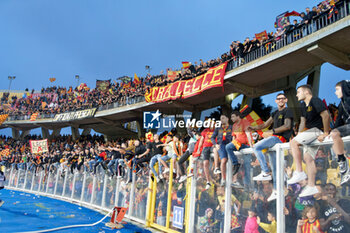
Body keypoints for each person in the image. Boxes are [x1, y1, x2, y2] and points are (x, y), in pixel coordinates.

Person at [288, 84, 330, 197]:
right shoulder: (302, 105)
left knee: (293, 142)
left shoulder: (315, 100)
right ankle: (311, 186)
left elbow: (326, 116)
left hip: (317, 130)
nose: (296, 95)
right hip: (310, 132)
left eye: (298, 92)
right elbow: (302, 122)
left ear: (306, 92)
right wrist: (300, 134)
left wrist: (326, 132)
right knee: (308, 158)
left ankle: (299, 171)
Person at [250, 93, 293, 201]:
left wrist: (272, 131)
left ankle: (265, 171)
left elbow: (287, 126)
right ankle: (275, 190)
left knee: (257, 146)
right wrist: (253, 128)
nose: (281, 100)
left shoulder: (288, 111)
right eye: (278, 99)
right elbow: (264, 125)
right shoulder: (275, 112)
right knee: (275, 168)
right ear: (275, 101)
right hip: (274, 142)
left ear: (286, 100)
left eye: (283, 98)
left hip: (279, 139)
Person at [225, 111, 253, 189]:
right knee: (228, 147)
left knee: (247, 166)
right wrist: (233, 145)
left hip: (246, 146)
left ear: (238, 116)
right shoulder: (234, 125)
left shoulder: (244, 121)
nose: (231, 118)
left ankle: (247, 185)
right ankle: (235, 163)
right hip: (238, 145)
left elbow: (247, 133)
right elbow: (234, 137)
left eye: (233, 116)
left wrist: (251, 146)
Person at [330, 80, 350, 185]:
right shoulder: (341, 104)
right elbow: (338, 122)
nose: (335, 92)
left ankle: (343, 161)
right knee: (333, 134)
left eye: (337, 89)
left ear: (344, 89)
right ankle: (342, 162)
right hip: (347, 128)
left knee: (335, 133)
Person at [211, 114, 233, 186]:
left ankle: (233, 180)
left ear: (227, 119)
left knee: (233, 163)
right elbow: (212, 138)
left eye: (223, 118)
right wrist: (215, 144)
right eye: (220, 119)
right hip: (221, 145)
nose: (221, 120)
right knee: (224, 160)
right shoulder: (218, 128)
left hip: (230, 145)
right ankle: (223, 179)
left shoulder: (231, 127)